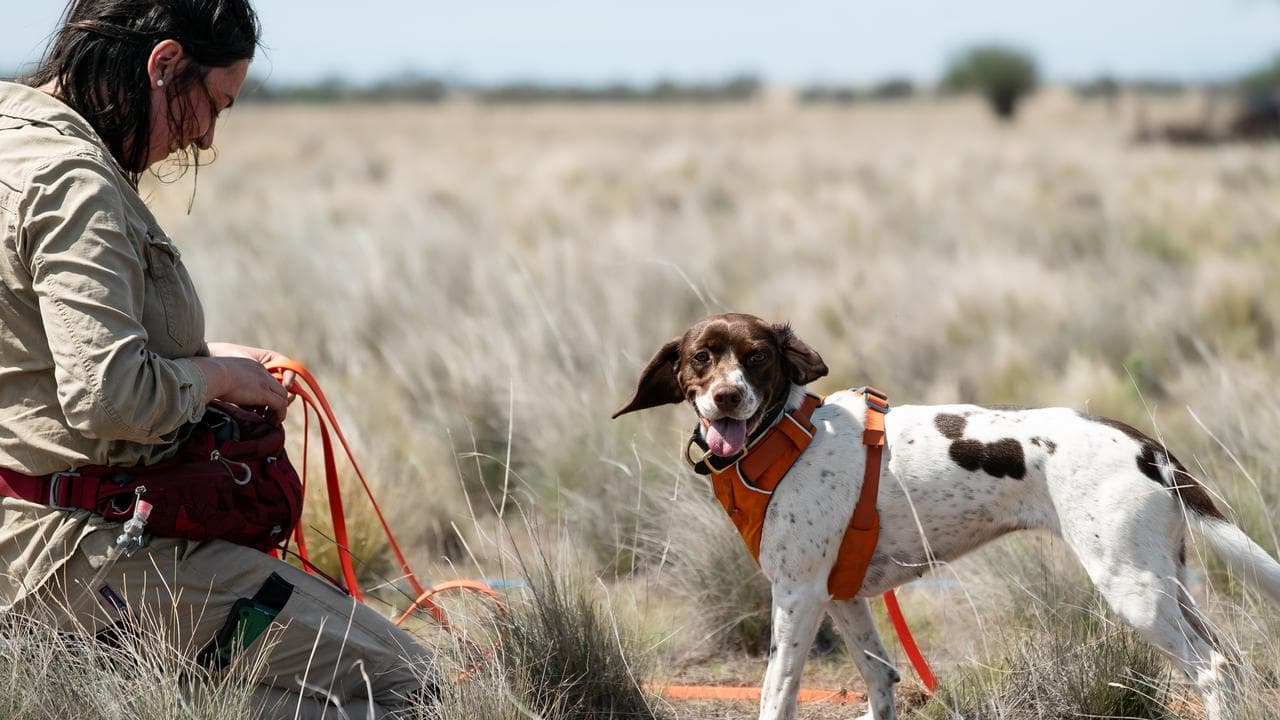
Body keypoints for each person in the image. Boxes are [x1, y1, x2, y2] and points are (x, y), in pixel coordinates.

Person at [0, 1, 434, 717]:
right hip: (85, 556)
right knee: (407, 684)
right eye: (213, 107)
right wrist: (218, 377)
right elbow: (108, 398)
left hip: (26, 544)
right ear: (165, 64)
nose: (203, 139)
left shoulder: (13, 135)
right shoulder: (77, 184)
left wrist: (197, 356)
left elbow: (34, 344)